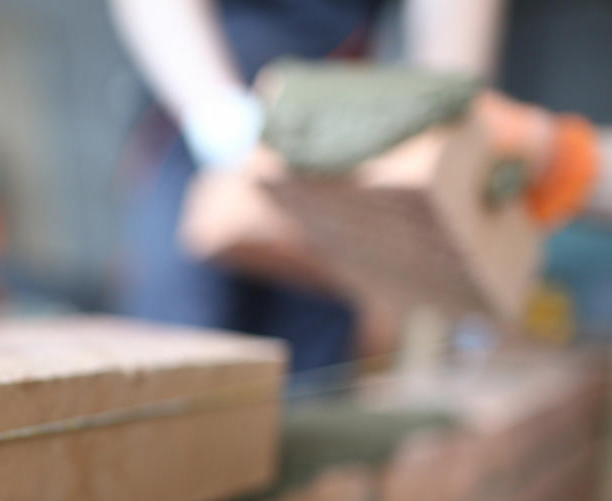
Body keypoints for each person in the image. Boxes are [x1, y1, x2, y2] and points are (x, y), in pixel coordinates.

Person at [108, 0, 609, 373]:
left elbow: (449, 66)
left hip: (336, 139)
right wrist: (215, 116)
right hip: (200, 112)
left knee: (312, 363)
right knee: (183, 340)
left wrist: (455, 184)